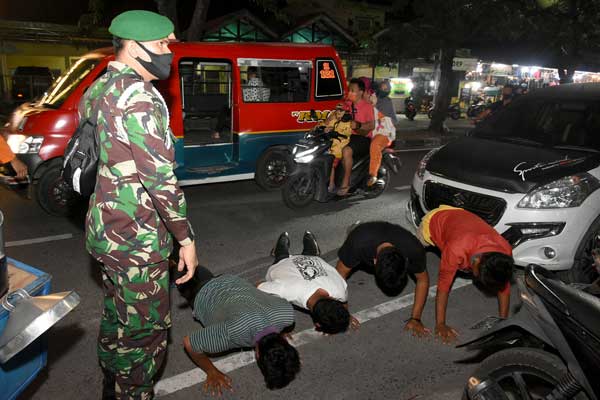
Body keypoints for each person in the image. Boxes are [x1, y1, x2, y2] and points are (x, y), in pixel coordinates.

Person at [85, 10, 199, 399]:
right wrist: (185, 238)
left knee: (118, 317)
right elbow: (159, 180)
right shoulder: (140, 97)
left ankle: (112, 381)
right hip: (137, 240)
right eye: (162, 43)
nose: (170, 50)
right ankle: (131, 392)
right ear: (133, 46)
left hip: (106, 230)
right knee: (146, 333)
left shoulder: (99, 87)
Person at [177, 266, 300, 394]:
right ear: (257, 355)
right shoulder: (234, 332)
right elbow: (189, 343)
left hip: (229, 280)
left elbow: (272, 297)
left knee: (192, 266)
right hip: (201, 293)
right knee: (177, 270)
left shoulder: (287, 315)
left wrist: (281, 329)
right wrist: (211, 371)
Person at [414, 205, 514, 343]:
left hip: (462, 219)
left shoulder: (505, 250)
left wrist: (503, 321)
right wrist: (440, 324)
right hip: (435, 220)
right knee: (413, 253)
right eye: (477, 274)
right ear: (477, 260)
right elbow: (443, 286)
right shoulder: (456, 250)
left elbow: (504, 286)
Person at [336, 221, 428, 330]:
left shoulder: (414, 249)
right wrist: (344, 311)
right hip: (363, 233)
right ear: (374, 261)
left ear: (406, 260)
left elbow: (423, 280)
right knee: (351, 248)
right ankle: (353, 227)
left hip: (393, 234)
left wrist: (416, 318)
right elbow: (339, 275)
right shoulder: (358, 244)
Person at [258, 231, 350, 334]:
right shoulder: (288, 292)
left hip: (313, 260)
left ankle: (307, 244)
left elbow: (344, 302)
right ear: (317, 325)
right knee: (281, 257)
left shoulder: (340, 291)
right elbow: (257, 287)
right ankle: (281, 250)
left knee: (310, 257)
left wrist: (344, 317)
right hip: (283, 264)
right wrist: (279, 329)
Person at [337, 78, 375, 196]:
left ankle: (346, 182)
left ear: (361, 92)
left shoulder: (367, 107)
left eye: (353, 90)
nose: (350, 92)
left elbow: (372, 125)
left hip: (363, 138)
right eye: (349, 90)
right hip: (348, 135)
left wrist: (358, 125)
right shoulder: (347, 104)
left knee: (346, 151)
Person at [321, 102, 352, 193]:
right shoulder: (333, 117)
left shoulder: (348, 121)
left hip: (340, 146)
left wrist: (334, 131)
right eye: (337, 109)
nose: (338, 111)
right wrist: (321, 128)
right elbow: (325, 124)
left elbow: (347, 132)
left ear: (345, 111)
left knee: (331, 161)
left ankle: (331, 185)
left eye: (341, 110)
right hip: (330, 145)